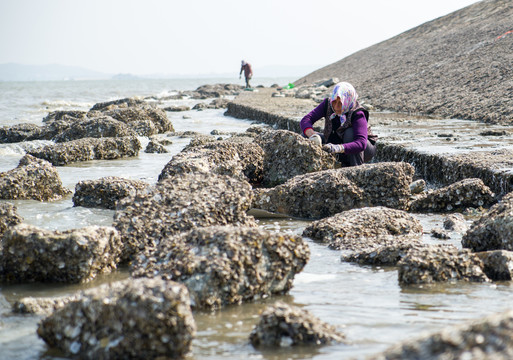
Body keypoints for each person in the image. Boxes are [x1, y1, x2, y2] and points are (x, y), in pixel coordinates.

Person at [300, 82, 377, 167]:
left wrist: (338, 148)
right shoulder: (327, 104)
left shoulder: (358, 113)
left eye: (340, 103)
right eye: (334, 102)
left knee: (349, 133)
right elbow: (306, 119)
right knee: (305, 135)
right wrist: (312, 135)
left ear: (347, 101)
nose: (336, 107)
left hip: (363, 149)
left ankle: (354, 168)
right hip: (335, 142)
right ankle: (311, 167)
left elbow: (361, 143)